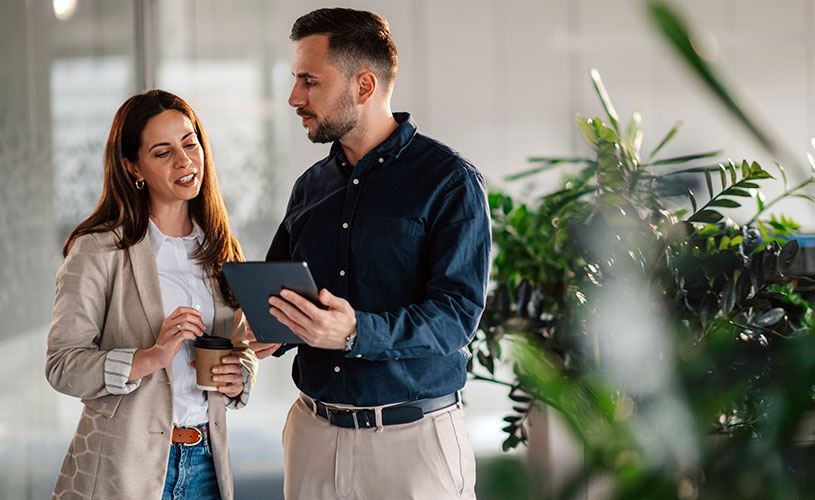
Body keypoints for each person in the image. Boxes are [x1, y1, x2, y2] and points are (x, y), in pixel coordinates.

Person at [250, 8, 490, 499]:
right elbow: (281, 296)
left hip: (412, 445)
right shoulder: (309, 188)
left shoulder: (449, 183)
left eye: (309, 82)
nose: (295, 98)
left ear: (363, 86)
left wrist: (357, 330)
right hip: (312, 438)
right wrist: (266, 331)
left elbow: (456, 315)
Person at [46, 89, 257, 500]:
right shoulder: (99, 249)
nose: (184, 160)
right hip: (120, 469)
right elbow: (62, 365)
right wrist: (149, 357)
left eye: (189, 142)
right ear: (133, 167)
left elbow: (239, 346)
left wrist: (239, 377)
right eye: (162, 152)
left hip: (206, 468)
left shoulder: (221, 248)